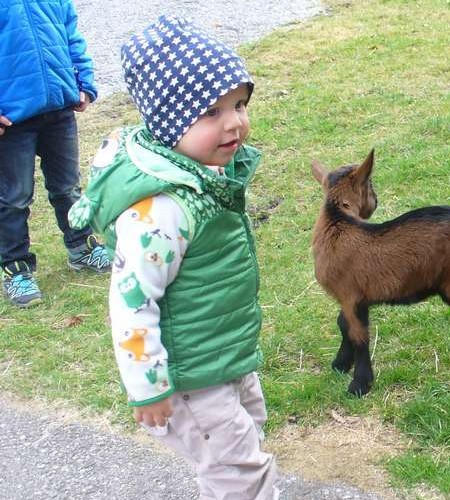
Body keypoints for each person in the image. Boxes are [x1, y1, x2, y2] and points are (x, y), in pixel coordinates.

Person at [68, 15, 277, 499]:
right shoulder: (161, 211)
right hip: (188, 375)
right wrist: (149, 388)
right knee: (238, 473)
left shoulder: (203, 176)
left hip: (222, 356)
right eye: (211, 112)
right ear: (170, 122)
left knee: (245, 441)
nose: (235, 122)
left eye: (240, 104)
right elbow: (132, 303)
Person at [0, 0, 112, 308]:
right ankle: (17, 271)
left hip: (60, 111)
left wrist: (84, 84)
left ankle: (82, 247)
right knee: (14, 198)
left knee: (67, 188)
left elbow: (71, 36)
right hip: (12, 121)